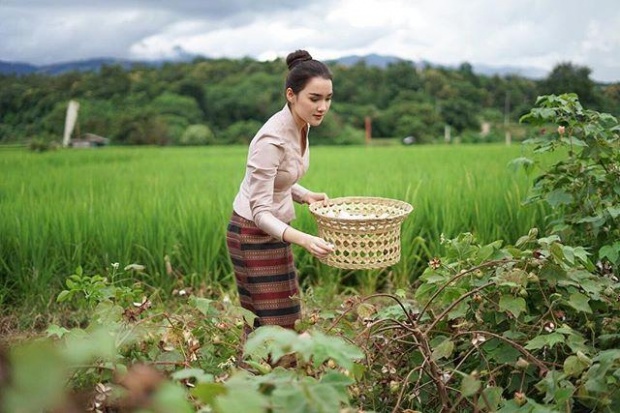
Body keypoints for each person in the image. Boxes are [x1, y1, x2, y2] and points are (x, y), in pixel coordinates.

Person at [226, 50, 335, 334]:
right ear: (291, 95)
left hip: (277, 229)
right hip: (251, 232)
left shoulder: (301, 125)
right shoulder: (271, 139)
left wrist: (305, 195)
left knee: (287, 317)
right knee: (269, 325)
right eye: (314, 98)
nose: (322, 106)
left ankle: (273, 375)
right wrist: (304, 240)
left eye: (328, 98)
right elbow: (260, 210)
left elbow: (279, 178)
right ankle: (256, 376)